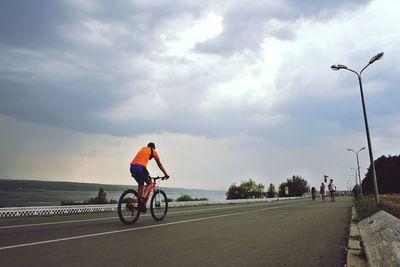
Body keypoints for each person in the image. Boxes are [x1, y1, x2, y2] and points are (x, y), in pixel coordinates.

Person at [130, 142, 169, 212]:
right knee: (150, 183)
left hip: (132, 167)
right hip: (140, 168)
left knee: (141, 184)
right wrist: (166, 174)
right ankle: (142, 200)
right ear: (153, 148)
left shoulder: (143, 149)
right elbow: (159, 164)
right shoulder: (153, 151)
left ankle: (135, 203)